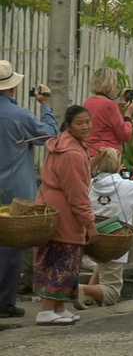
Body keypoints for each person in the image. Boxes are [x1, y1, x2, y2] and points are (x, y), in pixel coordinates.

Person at [0, 60, 58, 319]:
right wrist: (45, 105)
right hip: (13, 189)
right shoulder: (20, 116)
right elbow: (49, 135)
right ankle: (3, 301)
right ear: (12, 88)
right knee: (10, 244)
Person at [33, 105, 98, 325]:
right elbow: (77, 193)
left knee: (57, 257)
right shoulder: (71, 153)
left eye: (87, 122)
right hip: (64, 213)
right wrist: (89, 224)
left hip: (50, 207)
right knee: (63, 259)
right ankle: (47, 310)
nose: (85, 126)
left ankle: (59, 307)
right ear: (68, 125)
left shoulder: (65, 144)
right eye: (79, 123)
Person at [74, 147, 133, 310]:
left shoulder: (90, 184)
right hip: (113, 242)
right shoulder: (127, 186)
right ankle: (80, 289)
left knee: (101, 263)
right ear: (118, 165)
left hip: (91, 240)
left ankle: (87, 295)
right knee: (112, 292)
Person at [83, 67, 133, 157]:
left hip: (89, 152)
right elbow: (124, 135)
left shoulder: (88, 102)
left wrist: (118, 106)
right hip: (107, 156)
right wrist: (127, 117)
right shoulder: (109, 105)